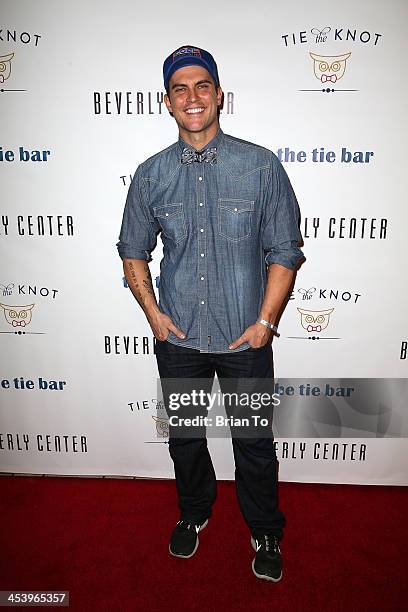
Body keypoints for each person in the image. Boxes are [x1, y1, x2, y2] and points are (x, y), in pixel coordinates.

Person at [117, 45, 304, 582]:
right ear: (168, 103)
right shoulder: (151, 175)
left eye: (202, 86)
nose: (192, 97)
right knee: (185, 440)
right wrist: (154, 315)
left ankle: (265, 529)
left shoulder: (260, 166)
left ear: (219, 96)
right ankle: (195, 513)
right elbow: (133, 251)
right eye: (180, 89)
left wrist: (266, 323)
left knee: (253, 444)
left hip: (247, 340)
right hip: (178, 339)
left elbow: (285, 251)